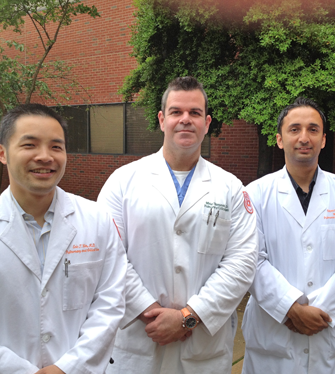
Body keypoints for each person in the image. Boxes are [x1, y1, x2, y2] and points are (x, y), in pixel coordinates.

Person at [97, 76, 258, 374]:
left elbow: (242, 263)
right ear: (162, 119)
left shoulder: (231, 188)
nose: (186, 120)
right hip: (138, 342)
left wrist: (188, 317)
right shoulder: (122, 182)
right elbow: (108, 255)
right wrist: (149, 311)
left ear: (207, 122)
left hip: (203, 350)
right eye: (176, 112)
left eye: (195, 113)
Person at [0, 104, 127, 374]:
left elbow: (110, 304)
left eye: (56, 147)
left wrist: (67, 368)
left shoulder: (97, 221)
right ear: (2, 153)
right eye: (29, 145)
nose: (45, 157)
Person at [241, 97, 335, 374]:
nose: (304, 137)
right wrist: (290, 306)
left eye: (313, 130)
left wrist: (321, 310)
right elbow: (250, 258)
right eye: (294, 129)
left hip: (331, 330)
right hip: (273, 333)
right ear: (279, 140)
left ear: (323, 140)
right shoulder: (256, 193)